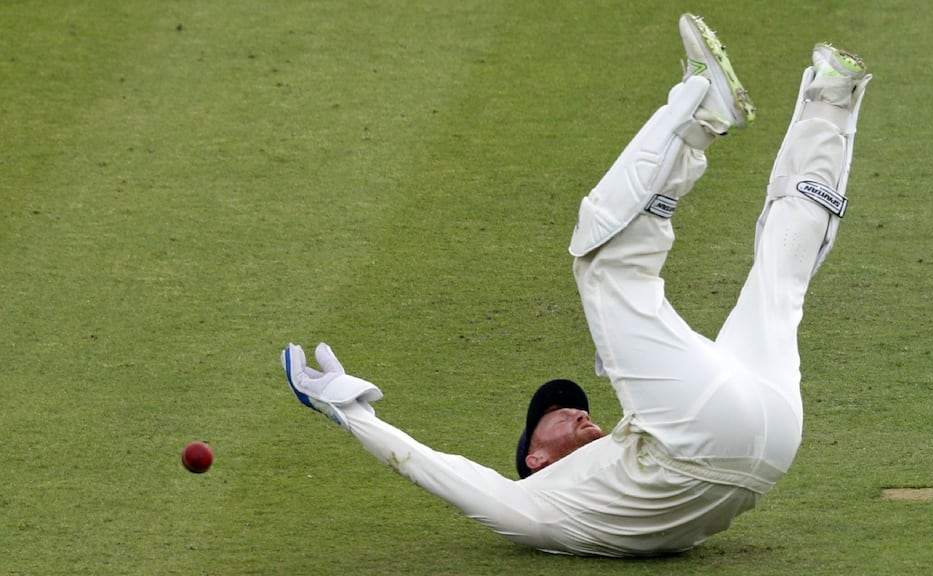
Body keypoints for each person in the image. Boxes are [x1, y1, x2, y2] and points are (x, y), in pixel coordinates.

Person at [281, 13, 871, 557]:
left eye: (572, 410)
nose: (579, 414)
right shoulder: (539, 509)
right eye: (559, 415)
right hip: (706, 440)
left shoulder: (616, 474)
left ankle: (831, 100)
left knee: (779, 281)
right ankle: (700, 112)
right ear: (534, 459)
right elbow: (443, 471)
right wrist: (348, 412)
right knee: (602, 262)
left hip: (761, 447)